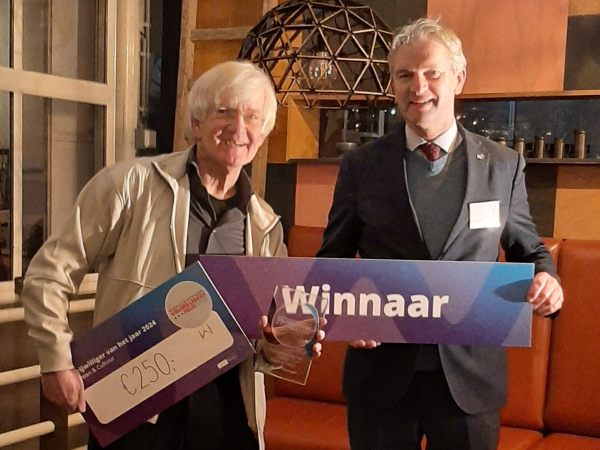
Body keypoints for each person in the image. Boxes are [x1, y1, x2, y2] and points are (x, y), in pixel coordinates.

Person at [21, 60, 322, 450]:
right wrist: (55, 360)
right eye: (224, 112)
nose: (238, 128)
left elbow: (264, 341)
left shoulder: (267, 226)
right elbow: (48, 274)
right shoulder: (130, 186)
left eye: (252, 117)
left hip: (226, 414)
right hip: (136, 408)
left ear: (263, 134)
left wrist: (283, 344)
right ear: (196, 123)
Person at [316, 17, 563, 450]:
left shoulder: (503, 165)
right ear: (393, 85)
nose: (419, 87)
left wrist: (548, 278)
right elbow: (330, 262)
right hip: (380, 379)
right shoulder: (362, 166)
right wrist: (344, 316)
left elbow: (528, 248)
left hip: (470, 383)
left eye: (432, 72)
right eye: (405, 75)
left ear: (458, 79)